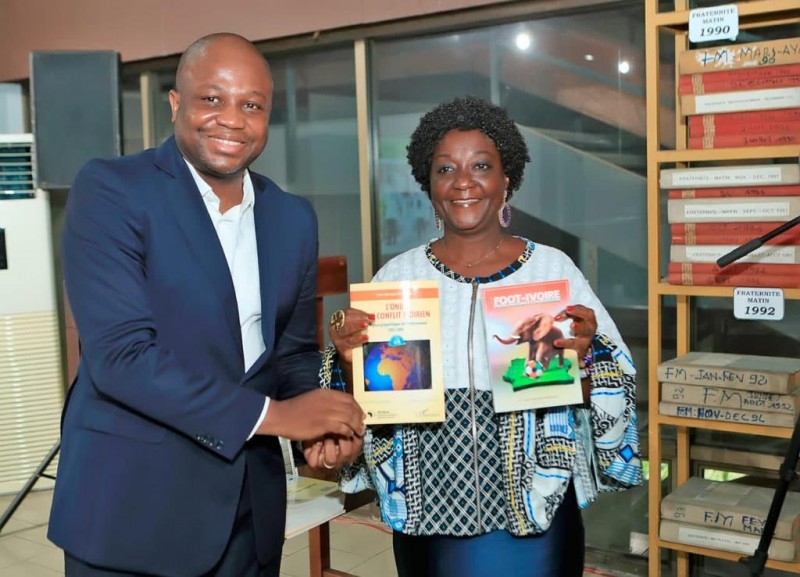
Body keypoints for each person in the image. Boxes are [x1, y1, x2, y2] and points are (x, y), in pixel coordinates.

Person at [48, 33, 364, 577]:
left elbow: (289, 354)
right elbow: (122, 357)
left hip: (249, 510)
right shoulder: (113, 190)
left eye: (252, 105)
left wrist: (321, 421)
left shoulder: (292, 217)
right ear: (176, 104)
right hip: (133, 509)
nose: (232, 119)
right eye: (212, 99)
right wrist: (280, 416)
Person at [308, 95, 642, 577]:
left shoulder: (552, 271)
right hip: (426, 509)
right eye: (445, 169)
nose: (463, 182)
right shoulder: (399, 278)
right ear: (429, 185)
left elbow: (616, 384)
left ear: (507, 180)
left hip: (533, 508)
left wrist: (585, 359)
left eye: (481, 166)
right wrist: (345, 357)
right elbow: (367, 397)